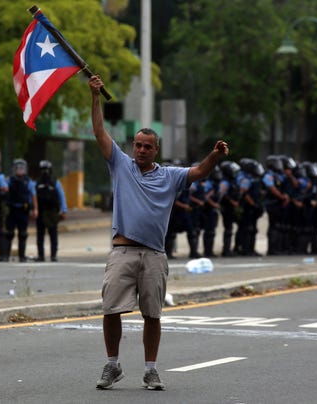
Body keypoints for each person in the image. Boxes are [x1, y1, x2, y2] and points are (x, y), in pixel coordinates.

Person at [89, 75, 228, 391]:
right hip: (122, 250)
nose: (140, 150)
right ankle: (112, 365)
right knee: (111, 308)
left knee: (152, 314)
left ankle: (151, 370)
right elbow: (99, 132)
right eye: (137, 145)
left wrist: (215, 155)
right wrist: (95, 97)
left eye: (146, 147)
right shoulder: (121, 166)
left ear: (156, 150)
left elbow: (200, 171)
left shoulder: (170, 176)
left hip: (153, 253)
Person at [5, 159, 38, 262]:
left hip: (23, 210)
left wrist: (35, 209)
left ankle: (22, 256)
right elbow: (4, 191)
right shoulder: (9, 180)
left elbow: (33, 196)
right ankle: (5, 255)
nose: (20, 170)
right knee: (9, 233)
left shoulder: (28, 182)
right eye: (17, 168)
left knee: (23, 234)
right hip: (12, 209)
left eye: (22, 168)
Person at [35, 160, 67, 262]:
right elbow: (32, 197)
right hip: (40, 212)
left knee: (53, 234)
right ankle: (41, 255)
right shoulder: (36, 183)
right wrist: (33, 209)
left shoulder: (55, 182)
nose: (45, 172)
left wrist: (63, 210)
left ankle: (53, 255)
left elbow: (62, 196)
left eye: (47, 170)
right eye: (43, 170)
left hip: (52, 212)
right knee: (40, 235)